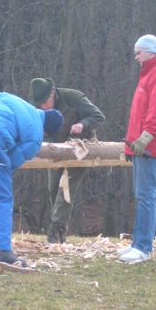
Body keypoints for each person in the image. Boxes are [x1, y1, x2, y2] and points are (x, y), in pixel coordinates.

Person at [0, 92, 64, 266]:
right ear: (47, 131)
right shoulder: (36, 136)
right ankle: (2, 251)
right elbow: (11, 162)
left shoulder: (13, 99)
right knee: (3, 197)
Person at [118, 34, 156, 263]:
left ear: (151, 52)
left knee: (145, 197)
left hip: (149, 146)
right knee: (140, 195)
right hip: (140, 145)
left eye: (139, 52)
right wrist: (132, 143)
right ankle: (137, 243)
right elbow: (141, 113)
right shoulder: (149, 74)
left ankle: (143, 248)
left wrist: (144, 138)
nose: (136, 57)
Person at [28, 78, 105, 244]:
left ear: (53, 93)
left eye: (44, 102)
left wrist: (83, 124)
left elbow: (98, 116)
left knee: (66, 187)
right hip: (56, 149)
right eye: (39, 104)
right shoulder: (37, 108)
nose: (42, 107)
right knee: (53, 188)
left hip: (80, 148)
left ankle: (56, 230)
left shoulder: (74, 98)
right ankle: (60, 231)